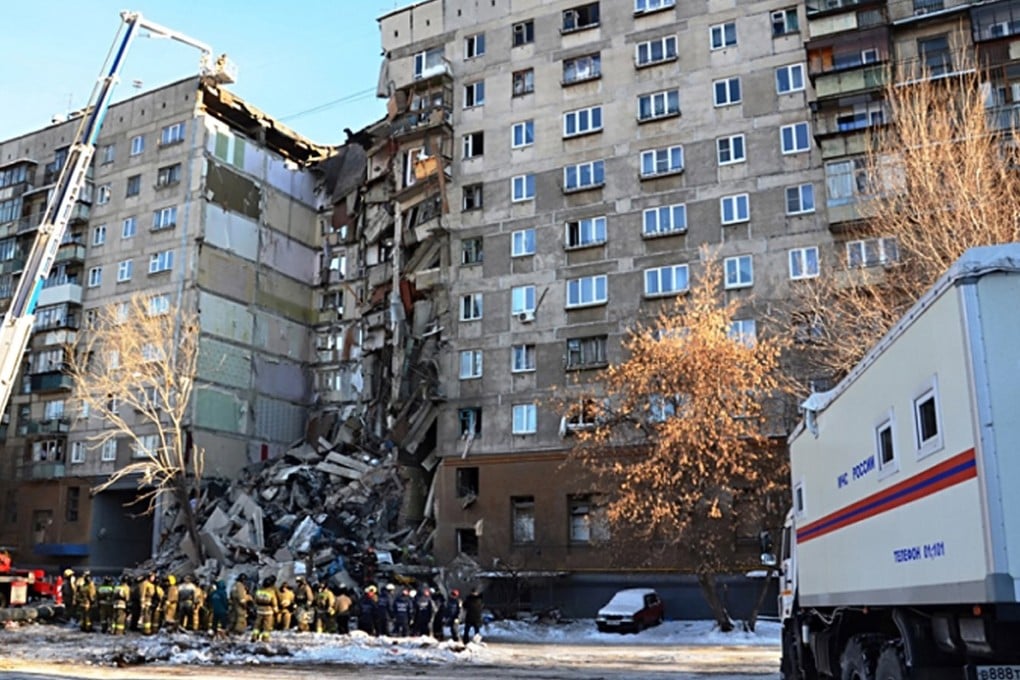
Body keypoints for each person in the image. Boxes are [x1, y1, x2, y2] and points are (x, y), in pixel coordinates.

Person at [252, 577, 279, 642]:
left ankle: (254, 636)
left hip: (259, 610)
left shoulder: (259, 591)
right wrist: (276, 610)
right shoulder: (271, 592)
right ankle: (265, 638)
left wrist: (255, 608)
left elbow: (255, 601)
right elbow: (274, 602)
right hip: (268, 611)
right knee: (267, 626)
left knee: (257, 625)